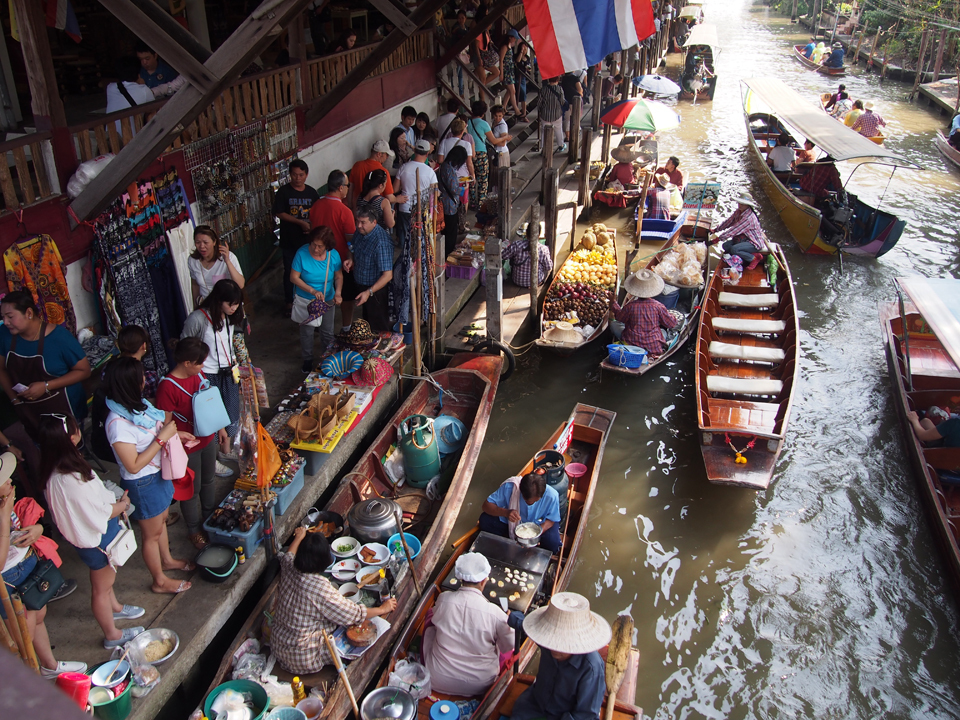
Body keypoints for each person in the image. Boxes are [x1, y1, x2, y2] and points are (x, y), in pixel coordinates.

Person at [37, 415, 145, 648]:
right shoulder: (71, 477)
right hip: (98, 540)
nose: (79, 433)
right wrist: (122, 506)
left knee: (105, 582)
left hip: (87, 539)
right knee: (100, 588)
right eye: (76, 430)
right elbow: (99, 512)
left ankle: (114, 608)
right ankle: (112, 635)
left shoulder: (54, 471)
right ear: (70, 437)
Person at [104, 358, 194, 594]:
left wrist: (176, 434)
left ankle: (167, 561)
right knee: (151, 534)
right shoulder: (117, 424)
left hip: (157, 473)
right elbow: (133, 465)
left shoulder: (138, 406)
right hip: (143, 482)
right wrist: (163, 438)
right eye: (140, 377)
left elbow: (156, 431)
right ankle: (159, 581)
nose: (145, 380)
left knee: (161, 520)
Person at [1, 456, 87, 677]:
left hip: (26, 566)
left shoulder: (6, 501)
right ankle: (30, 679)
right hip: (8, 582)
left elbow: (20, 529)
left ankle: (49, 665)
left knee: (39, 614)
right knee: (22, 639)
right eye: (4, 480)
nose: (10, 481)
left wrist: (36, 530)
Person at [271, 526, 397, 674]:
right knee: (349, 633)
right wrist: (383, 609)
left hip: (278, 643)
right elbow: (352, 614)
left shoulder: (290, 567)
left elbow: (288, 555)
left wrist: (299, 536)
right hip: (301, 656)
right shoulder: (320, 587)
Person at [155, 338, 231, 548]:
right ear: (186, 363)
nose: (202, 367)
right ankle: (193, 529)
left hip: (206, 438)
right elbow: (164, 423)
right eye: (199, 362)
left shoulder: (197, 374)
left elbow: (211, 403)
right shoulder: (167, 386)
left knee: (208, 480)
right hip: (186, 447)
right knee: (191, 488)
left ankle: (209, 517)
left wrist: (221, 428)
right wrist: (178, 434)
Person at [0, 291, 92, 436]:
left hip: (64, 409)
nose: (5, 322)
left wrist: (46, 386)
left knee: (69, 451)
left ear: (29, 313)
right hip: (29, 410)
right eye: (3, 317)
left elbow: (84, 371)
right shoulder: (4, 335)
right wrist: (15, 400)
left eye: (10, 317)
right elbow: (1, 370)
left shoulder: (60, 338)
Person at [423, 552, 515, 696]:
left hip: (438, 677)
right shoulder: (495, 613)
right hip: (480, 684)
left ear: (460, 578)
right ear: (484, 581)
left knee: (431, 617)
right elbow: (508, 645)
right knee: (507, 641)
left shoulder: (443, 599)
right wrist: (507, 622)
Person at [511, 592, 611, 720]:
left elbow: (585, 715)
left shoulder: (591, 668)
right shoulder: (547, 642)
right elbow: (526, 625)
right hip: (534, 706)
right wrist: (513, 618)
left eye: (561, 645)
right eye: (552, 642)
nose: (554, 649)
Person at [181, 280, 245, 457]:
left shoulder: (231, 317)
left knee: (231, 412)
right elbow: (185, 345)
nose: (234, 308)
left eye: (237, 304)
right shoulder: (198, 319)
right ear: (218, 301)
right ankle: (211, 457)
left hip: (228, 372)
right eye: (230, 304)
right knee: (211, 418)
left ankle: (226, 450)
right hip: (206, 375)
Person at [290, 227, 343, 371]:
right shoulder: (301, 253)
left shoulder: (334, 256)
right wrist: (312, 291)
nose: (315, 248)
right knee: (307, 331)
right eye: (313, 244)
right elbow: (293, 277)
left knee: (327, 331)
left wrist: (338, 293)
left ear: (327, 246)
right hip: (306, 300)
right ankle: (307, 360)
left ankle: (327, 359)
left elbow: (338, 276)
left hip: (328, 298)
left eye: (320, 246)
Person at [309, 170, 357, 328]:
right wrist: (351, 257)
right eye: (347, 185)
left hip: (317, 259)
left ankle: (318, 323)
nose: (348, 188)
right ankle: (346, 327)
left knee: (321, 292)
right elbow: (351, 240)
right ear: (341, 187)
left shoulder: (316, 206)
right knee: (345, 297)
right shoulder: (344, 211)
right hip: (341, 261)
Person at [273, 159, 319, 311]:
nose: (297, 178)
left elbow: (317, 215)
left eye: (301, 175)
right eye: (294, 175)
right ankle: (289, 301)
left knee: (309, 271)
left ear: (306, 175)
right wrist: (300, 223)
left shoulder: (312, 193)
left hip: (308, 241)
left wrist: (310, 227)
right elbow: (279, 213)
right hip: (289, 241)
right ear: (289, 174)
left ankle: (309, 299)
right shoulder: (283, 192)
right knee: (290, 272)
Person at [480, 472, 562, 552]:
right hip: (512, 522)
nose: (531, 504)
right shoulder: (511, 488)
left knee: (552, 542)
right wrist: (506, 513)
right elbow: (486, 506)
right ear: (521, 492)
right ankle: (505, 546)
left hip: (539, 524)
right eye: (527, 501)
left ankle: (539, 552)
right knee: (485, 520)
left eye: (535, 501)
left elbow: (551, 519)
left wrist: (535, 533)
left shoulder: (552, 495)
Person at [611, 269, 678, 357]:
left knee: (613, 324)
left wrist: (613, 303)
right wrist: (673, 316)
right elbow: (671, 324)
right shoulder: (658, 306)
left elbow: (619, 317)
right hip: (653, 347)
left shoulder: (630, 306)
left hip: (632, 344)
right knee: (663, 331)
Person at [351, 209, 394, 332]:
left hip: (376, 291)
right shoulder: (360, 232)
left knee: (378, 327)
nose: (359, 225)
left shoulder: (382, 242)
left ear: (374, 222)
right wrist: (350, 258)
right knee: (367, 323)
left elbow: (387, 275)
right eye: (357, 221)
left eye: (363, 222)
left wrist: (368, 292)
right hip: (361, 286)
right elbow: (352, 247)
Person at [188, 225, 245, 308]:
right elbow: (195, 285)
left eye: (205, 242)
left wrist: (228, 261)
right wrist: (196, 308)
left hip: (227, 307)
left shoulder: (229, 257)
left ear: (214, 242)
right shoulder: (192, 261)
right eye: (198, 242)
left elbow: (240, 284)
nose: (201, 246)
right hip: (207, 307)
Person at [396, 139, 438, 249]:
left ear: (415, 151)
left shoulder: (403, 167)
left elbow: (395, 188)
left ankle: (406, 264)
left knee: (405, 242)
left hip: (405, 207)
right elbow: (435, 194)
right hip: (421, 209)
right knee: (420, 242)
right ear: (428, 153)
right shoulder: (430, 172)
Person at [710, 195, 768, 269]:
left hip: (753, 242)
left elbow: (734, 230)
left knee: (734, 249)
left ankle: (754, 258)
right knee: (726, 246)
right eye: (740, 203)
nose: (740, 205)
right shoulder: (739, 211)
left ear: (748, 205)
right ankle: (743, 256)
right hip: (743, 239)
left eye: (743, 204)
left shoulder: (748, 218)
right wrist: (716, 230)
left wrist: (718, 239)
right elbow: (729, 222)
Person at [105, 56, 155, 136]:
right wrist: (143, 84)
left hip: (113, 140)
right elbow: (152, 110)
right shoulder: (144, 90)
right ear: (138, 73)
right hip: (133, 141)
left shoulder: (110, 88)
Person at [348, 141, 403, 210]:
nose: (387, 157)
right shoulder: (383, 172)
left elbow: (350, 189)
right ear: (379, 154)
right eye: (386, 154)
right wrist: (397, 199)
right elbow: (390, 198)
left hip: (358, 209)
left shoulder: (357, 165)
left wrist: (351, 207)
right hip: (374, 211)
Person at [438, 146, 468, 256]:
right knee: (451, 232)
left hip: (445, 201)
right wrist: (463, 189)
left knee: (447, 231)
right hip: (449, 205)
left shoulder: (444, 166)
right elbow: (454, 188)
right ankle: (448, 255)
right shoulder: (448, 169)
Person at [466, 101, 495, 208]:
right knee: (483, 180)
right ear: (483, 113)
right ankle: (481, 203)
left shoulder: (468, 123)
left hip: (469, 153)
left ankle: (472, 202)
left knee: (471, 178)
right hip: (481, 153)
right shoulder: (484, 124)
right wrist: (505, 138)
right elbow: (493, 140)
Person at [437, 118, 476, 183]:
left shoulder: (444, 142)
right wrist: (473, 175)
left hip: (448, 177)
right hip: (463, 178)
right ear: (462, 131)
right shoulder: (467, 144)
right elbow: (469, 163)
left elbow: (440, 160)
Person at [499, 30, 524, 119]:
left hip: (510, 70)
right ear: (510, 37)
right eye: (514, 38)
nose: (514, 40)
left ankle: (504, 108)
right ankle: (516, 110)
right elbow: (501, 60)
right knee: (512, 91)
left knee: (510, 91)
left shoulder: (509, 46)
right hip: (506, 71)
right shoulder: (504, 46)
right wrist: (501, 73)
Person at [538, 76, 566, 155]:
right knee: (558, 130)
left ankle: (543, 147)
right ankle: (560, 145)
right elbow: (562, 101)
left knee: (544, 132)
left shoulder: (543, 90)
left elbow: (539, 103)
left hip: (545, 114)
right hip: (556, 114)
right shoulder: (559, 89)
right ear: (557, 79)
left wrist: (540, 110)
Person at [490, 104, 513, 169]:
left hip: (501, 153)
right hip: (496, 152)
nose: (497, 118)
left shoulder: (502, 126)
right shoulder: (494, 122)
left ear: (503, 115)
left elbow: (503, 143)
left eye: (500, 116)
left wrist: (492, 141)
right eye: (495, 116)